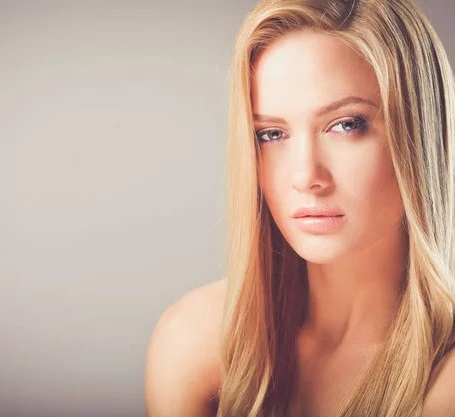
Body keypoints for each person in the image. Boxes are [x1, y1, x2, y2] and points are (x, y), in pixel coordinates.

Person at [144, 0, 455, 416]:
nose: (306, 176)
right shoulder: (194, 340)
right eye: (272, 133)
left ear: (419, 130)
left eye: (346, 124)